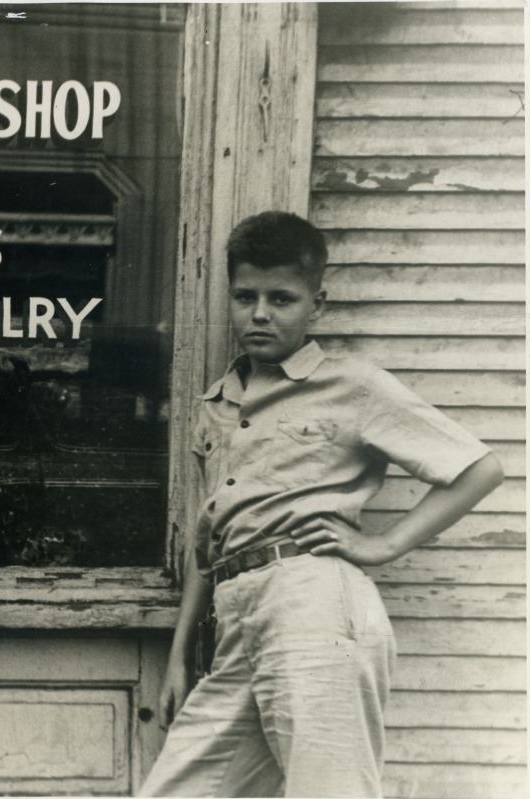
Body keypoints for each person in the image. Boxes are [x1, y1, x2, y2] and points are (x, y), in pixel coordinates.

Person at [139, 211, 504, 798]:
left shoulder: (352, 385)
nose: (259, 313)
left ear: (317, 303)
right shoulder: (217, 403)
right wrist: (181, 655)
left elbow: (479, 468)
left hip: (314, 607)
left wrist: (383, 545)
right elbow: (206, 547)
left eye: (281, 298)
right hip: (235, 621)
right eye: (245, 296)